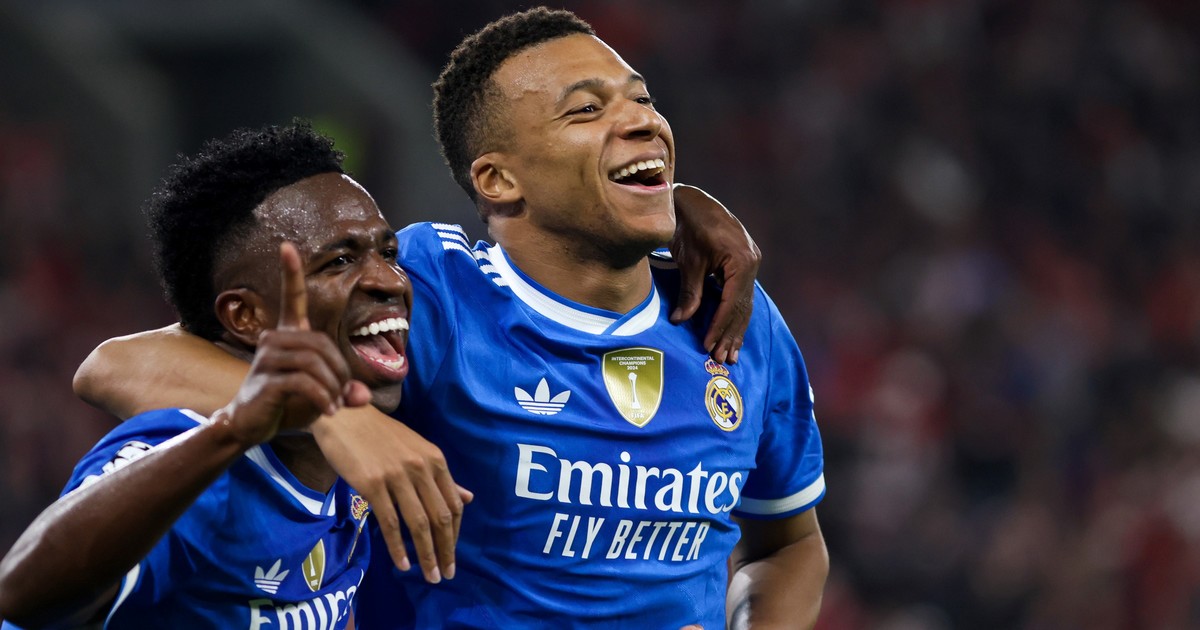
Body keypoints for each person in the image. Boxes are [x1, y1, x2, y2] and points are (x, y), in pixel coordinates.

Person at [72, 7, 821, 628]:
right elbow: (117, 365)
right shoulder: (433, 289)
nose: (642, 122)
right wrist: (337, 418)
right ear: (497, 178)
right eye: (587, 110)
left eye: (642, 99)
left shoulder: (733, 312)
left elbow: (788, 544)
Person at [0, 122, 410, 627]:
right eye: (339, 261)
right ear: (246, 316)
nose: (390, 280)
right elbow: (20, 592)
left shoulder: (354, 456)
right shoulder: (191, 456)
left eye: (388, 253)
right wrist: (231, 431)